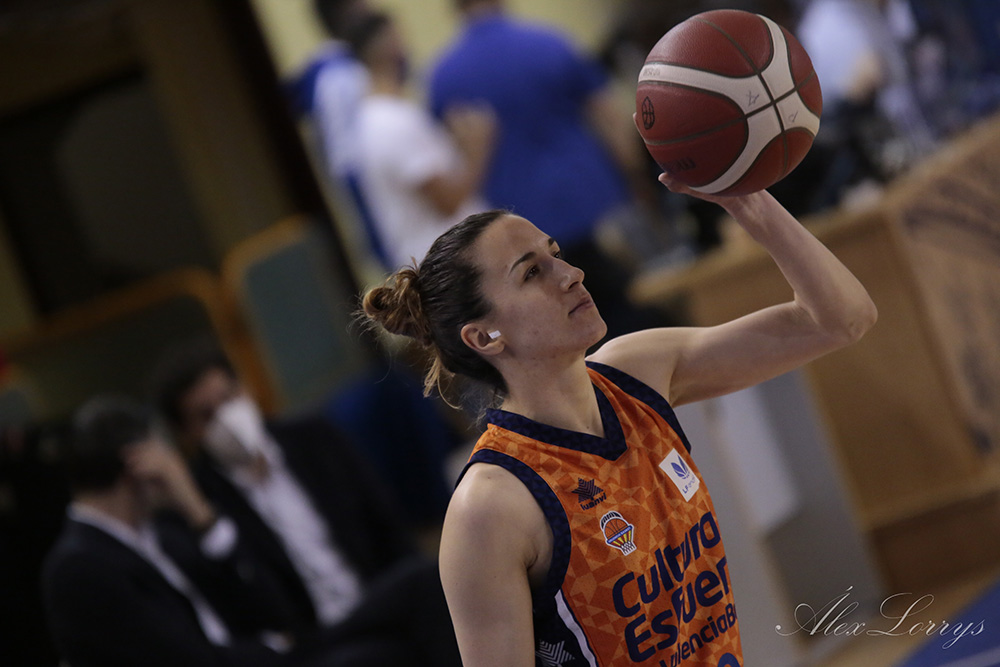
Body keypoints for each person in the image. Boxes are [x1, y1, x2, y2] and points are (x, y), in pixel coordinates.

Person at [360, 173, 878, 665]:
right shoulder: (490, 507)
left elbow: (841, 320)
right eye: (532, 272)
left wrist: (750, 203)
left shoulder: (638, 372)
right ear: (484, 337)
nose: (570, 274)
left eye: (555, 254)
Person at [149, 340, 461, 666]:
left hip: (378, 600)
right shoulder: (199, 508)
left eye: (228, 397)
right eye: (206, 415)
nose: (226, 418)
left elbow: (388, 526)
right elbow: (249, 605)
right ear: (187, 434)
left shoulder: (314, 440)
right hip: (312, 644)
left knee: (428, 584)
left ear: (245, 388)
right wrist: (204, 519)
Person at [428, 0, 664, 338]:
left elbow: (456, 156)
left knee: (571, 333)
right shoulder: (548, 42)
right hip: (597, 203)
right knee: (641, 309)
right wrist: (639, 178)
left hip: (521, 234)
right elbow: (607, 115)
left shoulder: (444, 78)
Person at [40, 396, 326, 667]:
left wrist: (199, 511)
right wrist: (274, 648)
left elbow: (274, 608)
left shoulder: (164, 536)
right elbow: (184, 661)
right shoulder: (79, 569)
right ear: (136, 462)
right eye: (162, 452)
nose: (172, 463)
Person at [345, 9, 495, 270]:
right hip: (449, 265)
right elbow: (447, 202)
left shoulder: (376, 118)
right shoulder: (392, 121)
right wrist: (478, 147)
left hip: (443, 260)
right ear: (390, 46)